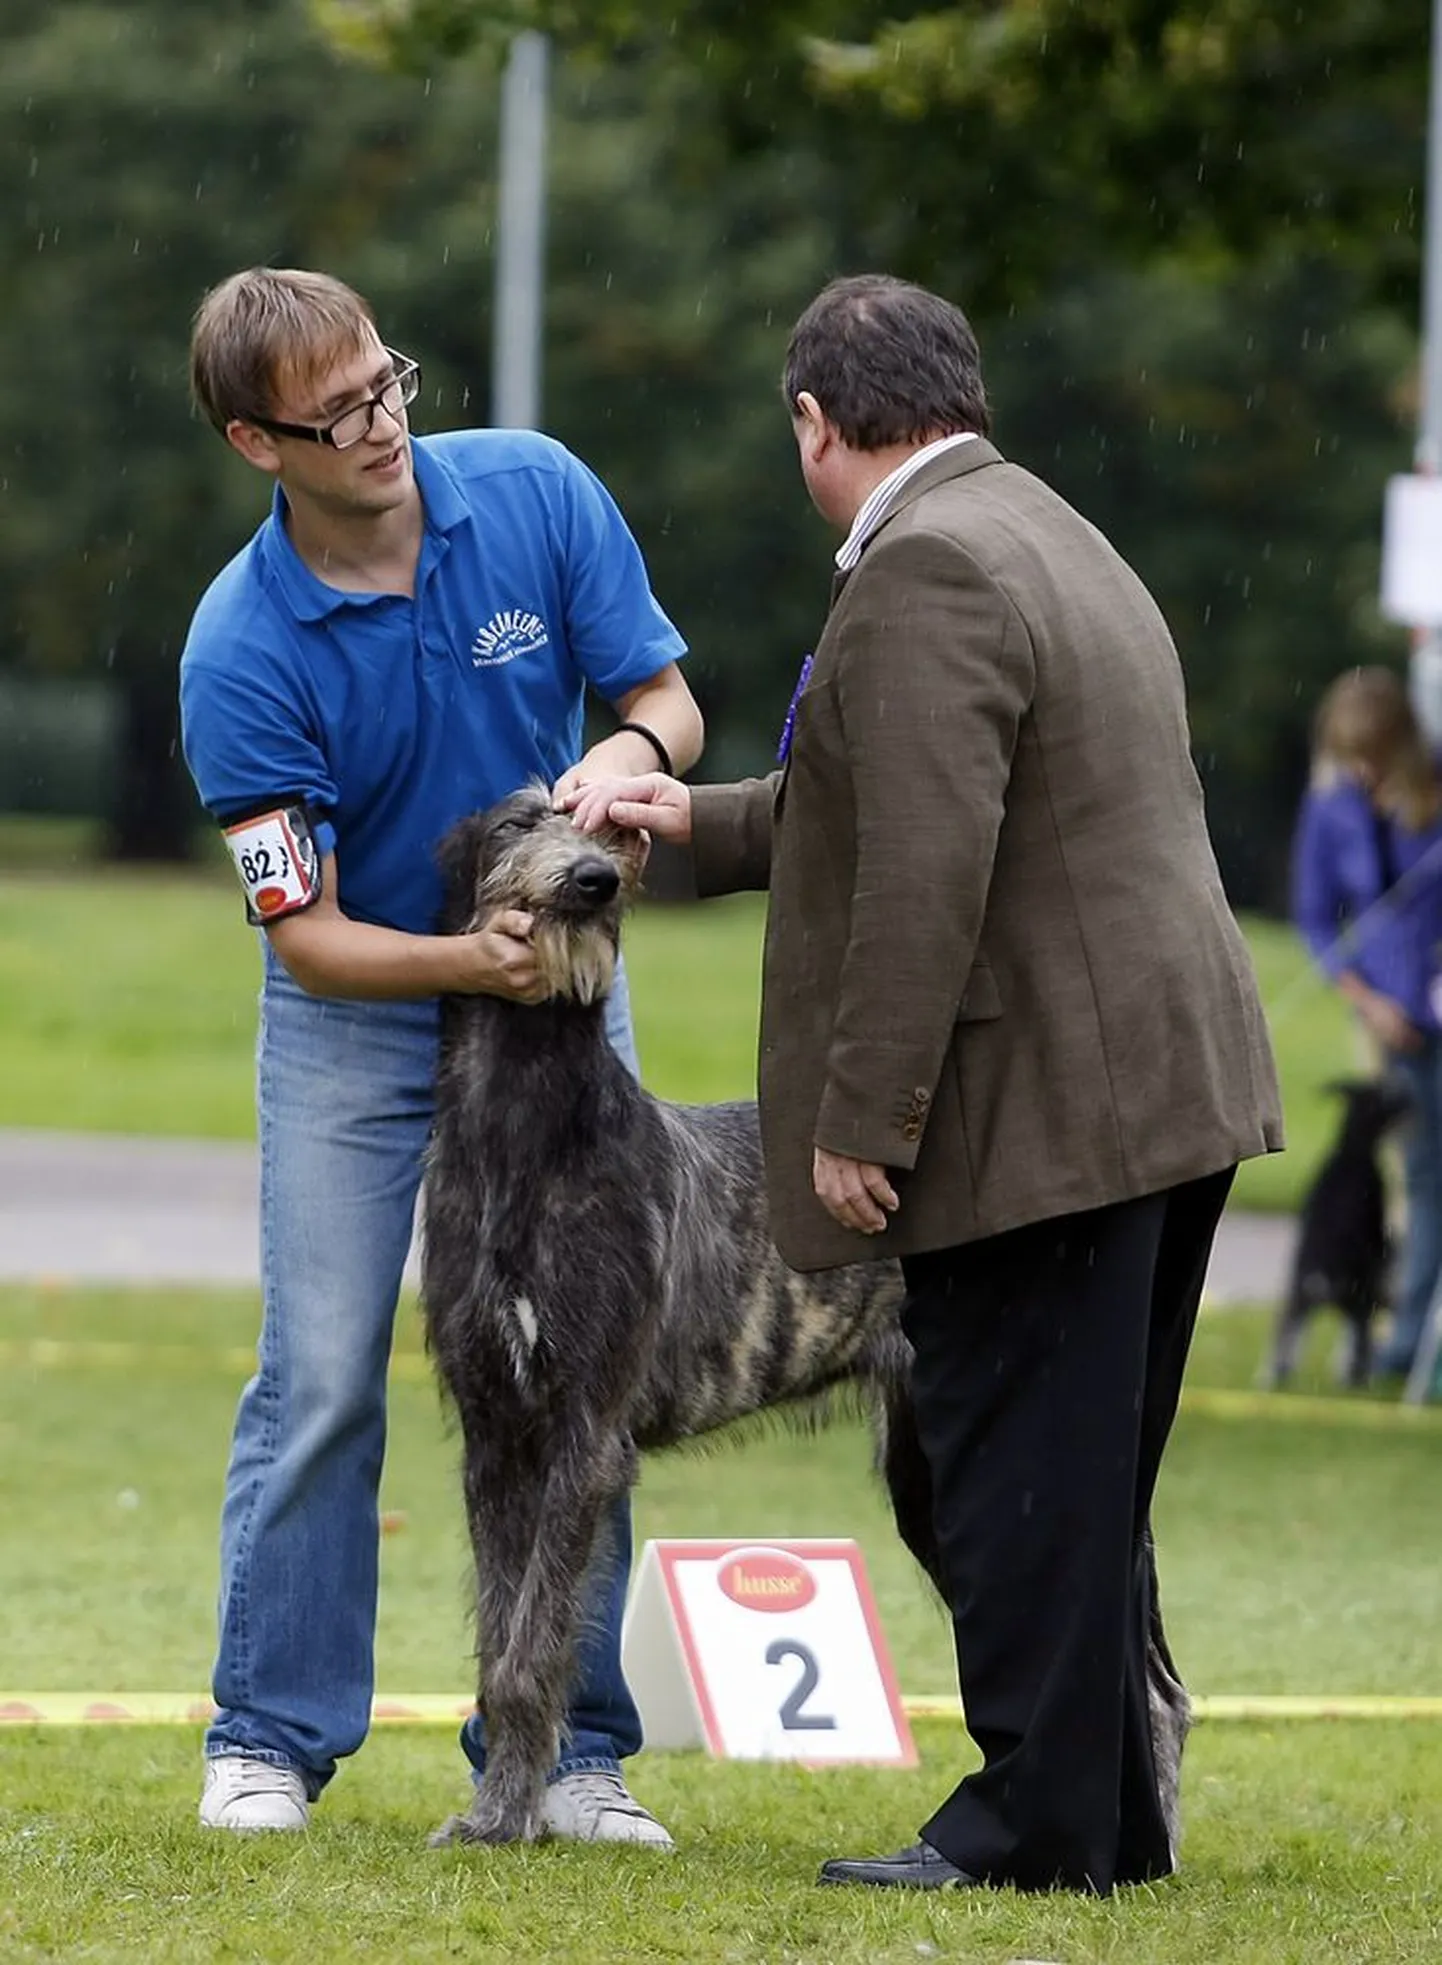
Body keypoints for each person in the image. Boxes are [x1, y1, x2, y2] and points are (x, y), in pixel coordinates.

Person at [565, 273, 1283, 1895]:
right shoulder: (1042, 526)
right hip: (1164, 1082)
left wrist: (859, 1124)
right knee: (1083, 1478)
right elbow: (892, 795)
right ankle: (1109, 1823)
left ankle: (1029, 1833)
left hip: (1047, 1104)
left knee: (1010, 1471)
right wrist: (705, 825)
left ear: (816, 422)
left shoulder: (920, 569)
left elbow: (926, 874)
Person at [178, 266, 703, 1838]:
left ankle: (568, 1757)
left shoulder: (534, 493)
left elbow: (665, 701)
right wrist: (474, 959)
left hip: (559, 1023)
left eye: (385, 382)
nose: (380, 425)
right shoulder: (239, 644)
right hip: (364, 1021)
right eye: (335, 414)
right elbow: (308, 932)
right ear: (253, 442)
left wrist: (611, 765)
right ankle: (268, 1733)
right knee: (326, 1371)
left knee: (585, 1381)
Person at [1291, 665, 1442, 1382]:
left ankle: (1415, 1346)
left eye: (1376, 753)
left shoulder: (1435, 790)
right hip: (1391, 1021)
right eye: (1353, 754)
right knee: (1416, 1174)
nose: (1365, 768)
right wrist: (1369, 1000)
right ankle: (1404, 1345)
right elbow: (1318, 917)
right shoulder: (1331, 807)